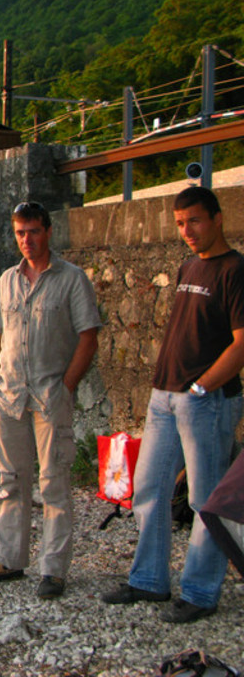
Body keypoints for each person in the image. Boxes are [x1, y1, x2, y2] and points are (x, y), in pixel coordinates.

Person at [102, 185, 244, 623]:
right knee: (149, 488)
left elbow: (242, 343)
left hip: (206, 400)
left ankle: (200, 592)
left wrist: (202, 387)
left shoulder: (235, 270)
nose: (187, 231)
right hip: (164, 395)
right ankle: (149, 580)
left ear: (217, 218)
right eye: (181, 223)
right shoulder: (188, 266)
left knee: (204, 500)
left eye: (195, 221)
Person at [0, 201, 101, 599]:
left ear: (48, 232)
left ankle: (54, 570)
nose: (26, 240)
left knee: (54, 483)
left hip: (49, 396)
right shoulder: (7, 280)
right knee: (11, 480)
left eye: (33, 231)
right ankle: (9, 559)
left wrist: (67, 387)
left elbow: (88, 337)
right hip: (9, 396)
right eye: (20, 233)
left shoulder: (72, 280)